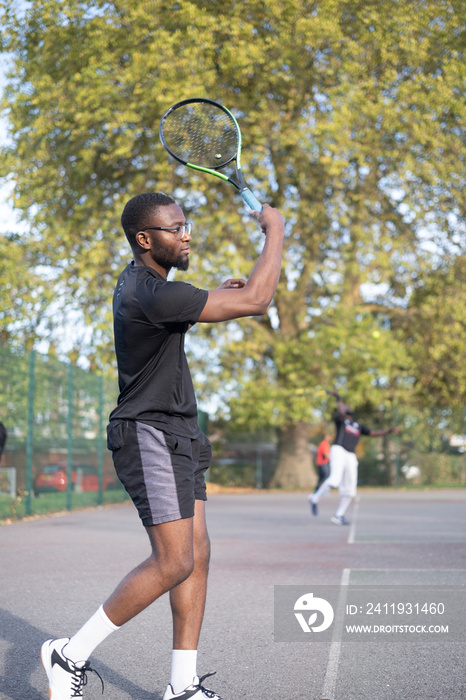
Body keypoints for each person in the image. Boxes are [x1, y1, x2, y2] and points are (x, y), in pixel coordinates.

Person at [40, 191, 285, 700]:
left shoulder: (151, 289)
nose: (186, 234)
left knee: (197, 552)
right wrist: (275, 229)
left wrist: (208, 297)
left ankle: (182, 685)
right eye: (175, 228)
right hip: (148, 433)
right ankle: (69, 654)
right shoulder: (150, 292)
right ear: (145, 239)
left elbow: (172, 323)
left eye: (185, 224)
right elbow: (259, 300)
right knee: (173, 561)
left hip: (180, 432)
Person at [309, 391, 400, 525]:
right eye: (344, 405)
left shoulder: (358, 425)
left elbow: (373, 433)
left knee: (351, 490)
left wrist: (389, 431)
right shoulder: (341, 420)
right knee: (334, 480)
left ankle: (338, 515)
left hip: (350, 455)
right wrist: (338, 398)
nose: (346, 406)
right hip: (339, 450)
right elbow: (340, 412)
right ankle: (314, 498)